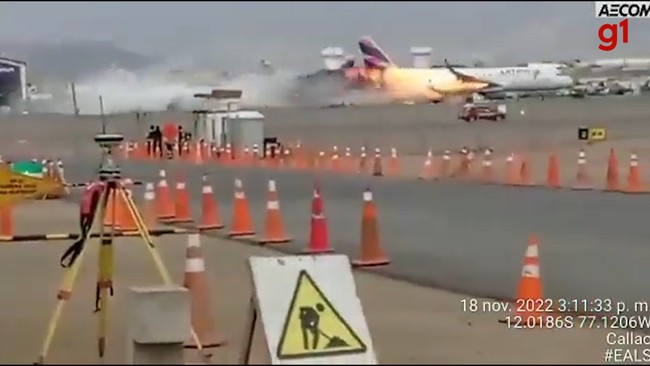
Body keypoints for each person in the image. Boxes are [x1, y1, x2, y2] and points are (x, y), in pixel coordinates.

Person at [59, 178, 106, 268]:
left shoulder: (92, 184)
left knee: (84, 234)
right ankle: (74, 256)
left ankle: (73, 256)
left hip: (83, 209)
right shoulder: (100, 186)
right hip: (89, 211)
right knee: (84, 236)